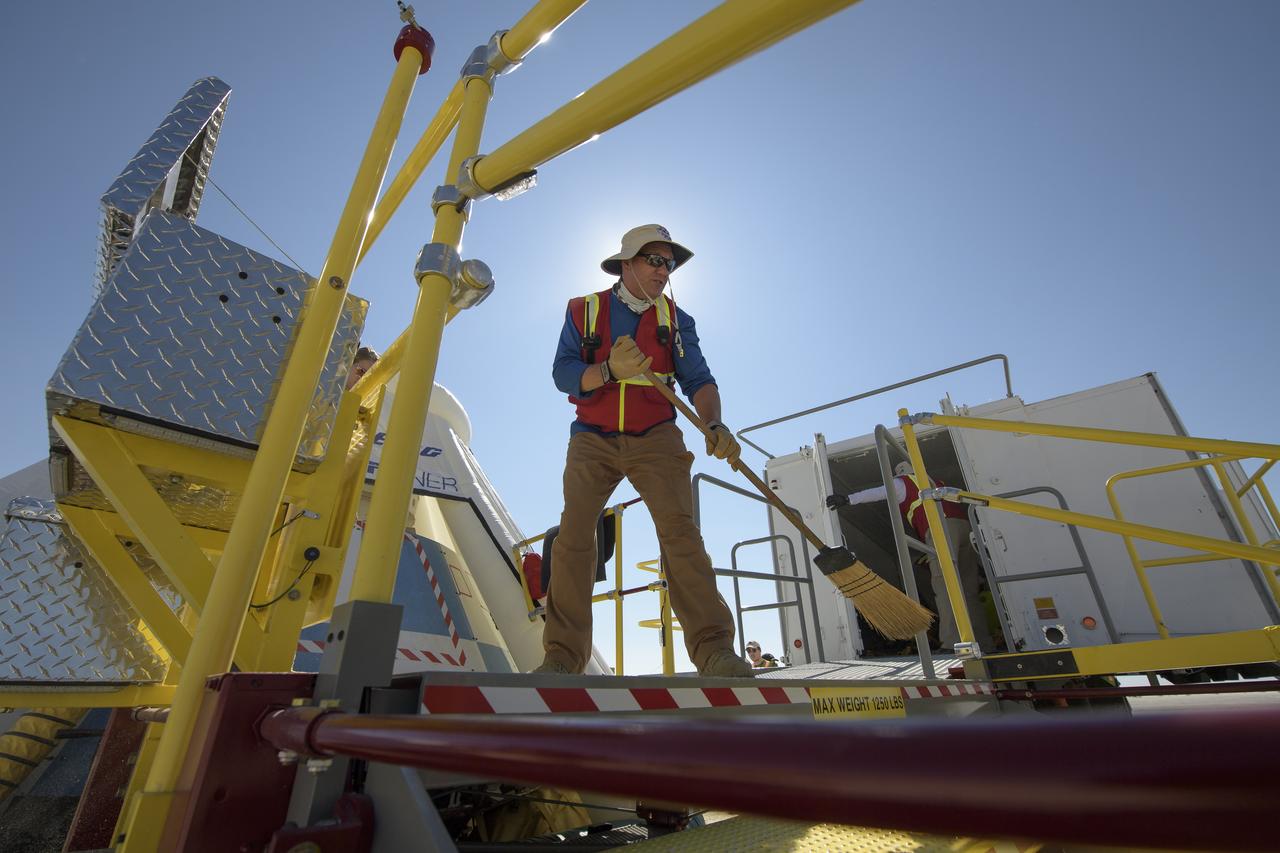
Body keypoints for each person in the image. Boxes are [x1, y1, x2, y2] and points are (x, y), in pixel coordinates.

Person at [534, 224, 751, 678]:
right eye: (655, 261)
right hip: (591, 437)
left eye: (670, 264)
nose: (664, 272)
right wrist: (609, 370)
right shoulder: (584, 310)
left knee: (682, 535)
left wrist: (713, 422)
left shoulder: (676, 321)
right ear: (626, 263)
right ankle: (562, 658)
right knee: (574, 540)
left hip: (657, 436)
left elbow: (700, 381)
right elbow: (563, 374)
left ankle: (714, 650)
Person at [826, 460, 993, 652]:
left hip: (941, 530)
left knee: (945, 587)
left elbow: (878, 492)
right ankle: (984, 643)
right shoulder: (935, 482)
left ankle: (951, 642)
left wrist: (848, 499)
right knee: (969, 590)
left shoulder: (903, 482)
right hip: (965, 528)